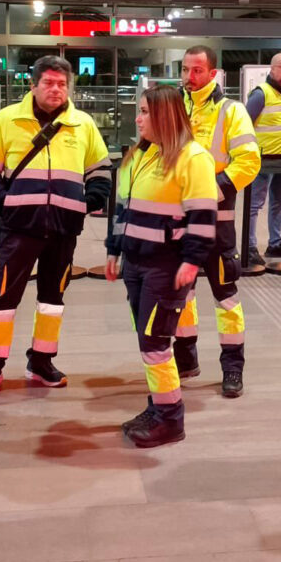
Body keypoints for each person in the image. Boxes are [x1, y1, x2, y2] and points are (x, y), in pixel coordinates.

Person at [0, 56, 112, 396]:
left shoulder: (83, 124)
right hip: (19, 228)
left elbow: (101, 171)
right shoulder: (7, 120)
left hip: (63, 230)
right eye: (48, 82)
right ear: (32, 85)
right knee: (2, 298)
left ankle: (42, 361)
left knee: (52, 300)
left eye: (62, 83)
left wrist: (88, 201)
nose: (56, 89)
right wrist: (4, 202)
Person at [105, 84, 218, 447]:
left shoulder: (193, 157)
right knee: (147, 340)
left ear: (165, 116)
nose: (137, 118)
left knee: (155, 341)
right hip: (137, 263)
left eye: (144, 111)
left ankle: (170, 419)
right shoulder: (141, 156)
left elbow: (203, 215)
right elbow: (123, 208)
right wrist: (114, 250)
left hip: (166, 267)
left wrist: (191, 261)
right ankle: (158, 405)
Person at [173, 45, 260, 397]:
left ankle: (233, 368)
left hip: (217, 222)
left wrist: (211, 190)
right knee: (182, 294)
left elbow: (248, 162)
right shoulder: (173, 107)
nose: (190, 77)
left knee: (226, 298)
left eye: (197, 71)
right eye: (185, 70)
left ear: (213, 74)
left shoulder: (232, 111)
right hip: (178, 220)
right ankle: (185, 359)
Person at [245, 53, 281, 265]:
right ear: (272, 69)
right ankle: (249, 247)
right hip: (263, 159)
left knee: (279, 202)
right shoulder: (261, 94)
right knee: (255, 204)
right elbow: (244, 124)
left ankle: (275, 243)